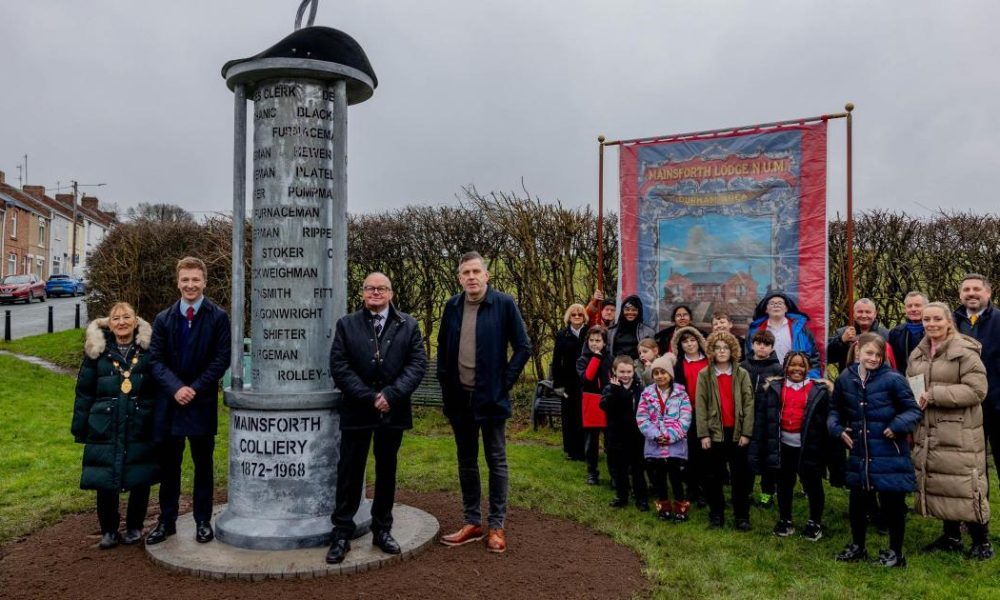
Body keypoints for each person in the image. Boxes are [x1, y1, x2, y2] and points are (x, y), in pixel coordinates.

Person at [325, 273, 428, 564]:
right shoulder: (347, 324)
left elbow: (417, 364)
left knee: (386, 470)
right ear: (362, 293)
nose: (375, 292)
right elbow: (339, 365)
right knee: (349, 472)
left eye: (381, 288)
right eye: (370, 288)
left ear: (391, 293)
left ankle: (382, 529)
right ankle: (342, 533)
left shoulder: (409, 325)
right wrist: (369, 397)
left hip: (392, 412)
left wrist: (391, 395)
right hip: (358, 410)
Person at [437, 251, 531, 554]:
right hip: (459, 400)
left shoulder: (503, 304)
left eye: (476, 271)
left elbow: (523, 347)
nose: (472, 277)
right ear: (459, 277)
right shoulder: (452, 306)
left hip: (491, 399)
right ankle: (472, 522)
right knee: (466, 461)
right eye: (466, 273)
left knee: (496, 461)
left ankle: (497, 526)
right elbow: (442, 349)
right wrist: (446, 386)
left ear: (487, 275)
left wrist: (502, 385)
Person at [146, 257, 231, 545]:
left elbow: (221, 359)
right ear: (177, 282)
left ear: (204, 282)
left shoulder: (218, 317)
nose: (190, 285)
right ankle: (166, 521)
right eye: (185, 280)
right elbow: (155, 361)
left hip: (201, 401)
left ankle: (203, 521)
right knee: (170, 466)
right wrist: (176, 388)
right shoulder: (163, 319)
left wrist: (193, 388)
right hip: (171, 403)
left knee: (203, 464)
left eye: (196, 280)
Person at [908, 301, 992, 559]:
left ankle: (981, 541)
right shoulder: (918, 353)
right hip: (930, 428)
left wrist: (935, 394)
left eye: (937, 319)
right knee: (942, 483)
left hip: (960, 431)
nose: (931, 324)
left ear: (948, 322)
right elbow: (911, 382)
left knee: (966, 484)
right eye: (926, 320)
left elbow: (977, 390)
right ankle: (951, 536)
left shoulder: (965, 352)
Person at [829, 333, 922, 567]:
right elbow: (834, 411)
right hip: (860, 452)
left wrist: (897, 426)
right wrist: (838, 430)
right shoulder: (845, 379)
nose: (873, 358)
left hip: (890, 452)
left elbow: (912, 410)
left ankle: (895, 552)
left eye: (878, 355)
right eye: (869, 353)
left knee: (892, 504)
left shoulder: (893, 379)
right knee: (857, 503)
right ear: (858, 351)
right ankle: (858, 546)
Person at [71, 303, 159, 549]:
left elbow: (156, 390)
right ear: (109, 323)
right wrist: (80, 426)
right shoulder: (96, 352)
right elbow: (84, 391)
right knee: (105, 479)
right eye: (116, 318)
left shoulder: (148, 351)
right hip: (104, 425)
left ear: (135, 321)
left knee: (139, 476)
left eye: (127, 317)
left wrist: (155, 420)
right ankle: (109, 530)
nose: (122, 322)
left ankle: (134, 526)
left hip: (139, 423)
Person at [750, 351, 832, 542]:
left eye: (801, 365)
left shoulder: (817, 390)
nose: (797, 369)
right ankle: (785, 519)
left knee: (813, 485)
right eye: (792, 365)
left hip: (808, 447)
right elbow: (764, 418)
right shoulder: (774, 388)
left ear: (808, 368)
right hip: (783, 446)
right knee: (784, 484)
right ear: (785, 367)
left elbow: (826, 419)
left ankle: (814, 522)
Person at [695, 331, 755, 531]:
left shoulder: (742, 374)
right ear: (712, 351)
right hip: (714, 434)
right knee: (713, 477)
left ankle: (741, 516)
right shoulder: (704, 374)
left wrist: (746, 433)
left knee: (740, 477)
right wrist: (703, 434)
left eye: (726, 348)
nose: (722, 351)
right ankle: (716, 515)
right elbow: (700, 405)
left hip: (737, 434)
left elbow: (748, 404)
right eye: (717, 348)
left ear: (732, 350)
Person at [954, 274, 1000, 483]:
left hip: (996, 405)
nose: (971, 293)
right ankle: (978, 515)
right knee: (973, 469)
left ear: (988, 293)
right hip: (965, 407)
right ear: (960, 294)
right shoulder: (950, 323)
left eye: (976, 289)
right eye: (966, 290)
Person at [637, 354, 692, 522]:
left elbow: (685, 418)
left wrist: (670, 436)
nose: (660, 376)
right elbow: (642, 418)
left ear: (670, 374)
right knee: (659, 478)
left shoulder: (681, 394)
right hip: (655, 445)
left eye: (663, 372)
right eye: (656, 373)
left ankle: (681, 508)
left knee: (676, 477)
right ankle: (664, 508)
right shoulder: (646, 394)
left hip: (675, 445)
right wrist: (656, 435)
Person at [601, 356, 649, 511]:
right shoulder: (610, 388)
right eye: (621, 371)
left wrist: (623, 392)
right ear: (614, 371)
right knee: (619, 469)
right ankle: (622, 496)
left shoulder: (639, 387)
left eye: (629, 371)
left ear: (634, 371)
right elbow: (605, 406)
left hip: (636, 435)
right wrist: (616, 391)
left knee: (637, 469)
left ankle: (641, 498)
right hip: (616, 434)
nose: (625, 375)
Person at [741, 329, 783, 508]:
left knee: (768, 461)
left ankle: (767, 495)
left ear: (772, 348)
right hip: (747, 420)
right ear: (753, 345)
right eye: (758, 343)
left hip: (768, 422)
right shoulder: (743, 366)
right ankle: (747, 492)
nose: (761, 347)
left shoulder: (777, 368)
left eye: (766, 344)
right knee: (747, 459)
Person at [670, 326, 710, 505]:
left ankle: (707, 487)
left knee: (707, 453)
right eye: (685, 341)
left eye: (692, 340)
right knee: (692, 452)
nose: (689, 344)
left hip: (709, 412)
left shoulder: (709, 361)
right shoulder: (679, 364)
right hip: (689, 412)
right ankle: (693, 489)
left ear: (699, 341)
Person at [746, 292, 821, 378]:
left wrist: (811, 378)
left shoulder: (802, 330)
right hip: (765, 379)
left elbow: (813, 357)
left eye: (780, 303)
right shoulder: (754, 331)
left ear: (786, 308)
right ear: (766, 309)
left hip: (796, 379)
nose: (776, 305)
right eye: (772, 303)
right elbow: (749, 356)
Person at [550, 304, 589, 461]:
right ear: (569, 317)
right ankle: (571, 450)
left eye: (580, 314)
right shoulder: (562, 334)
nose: (577, 317)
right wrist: (557, 385)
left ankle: (586, 449)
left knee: (584, 416)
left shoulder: (589, 333)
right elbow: (556, 361)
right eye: (574, 314)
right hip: (568, 382)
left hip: (586, 380)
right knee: (569, 416)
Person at [578, 325, 613, 486]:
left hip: (608, 402)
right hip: (591, 402)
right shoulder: (582, 359)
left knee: (611, 442)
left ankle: (615, 474)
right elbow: (588, 378)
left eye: (598, 340)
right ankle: (592, 472)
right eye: (591, 340)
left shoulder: (611, 358)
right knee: (591, 442)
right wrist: (596, 358)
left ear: (605, 342)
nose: (594, 344)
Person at [827, 298, 894, 373]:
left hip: (879, 381)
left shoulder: (886, 335)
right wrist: (841, 340)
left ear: (875, 314)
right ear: (853, 313)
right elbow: (827, 357)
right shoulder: (842, 333)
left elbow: (894, 363)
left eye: (868, 312)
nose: (864, 315)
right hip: (849, 381)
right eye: (860, 312)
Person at [887, 291, 927, 375]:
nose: (913, 309)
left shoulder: (935, 330)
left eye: (917, 305)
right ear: (905, 309)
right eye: (909, 306)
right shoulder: (895, 333)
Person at [607, 295, 656, 360]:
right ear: (622, 311)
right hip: (616, 367)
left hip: (639, 368)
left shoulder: (648, 332)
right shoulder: (611, 332)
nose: (630, 312)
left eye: (634, 310)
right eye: (627, 310)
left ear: (639, 312)